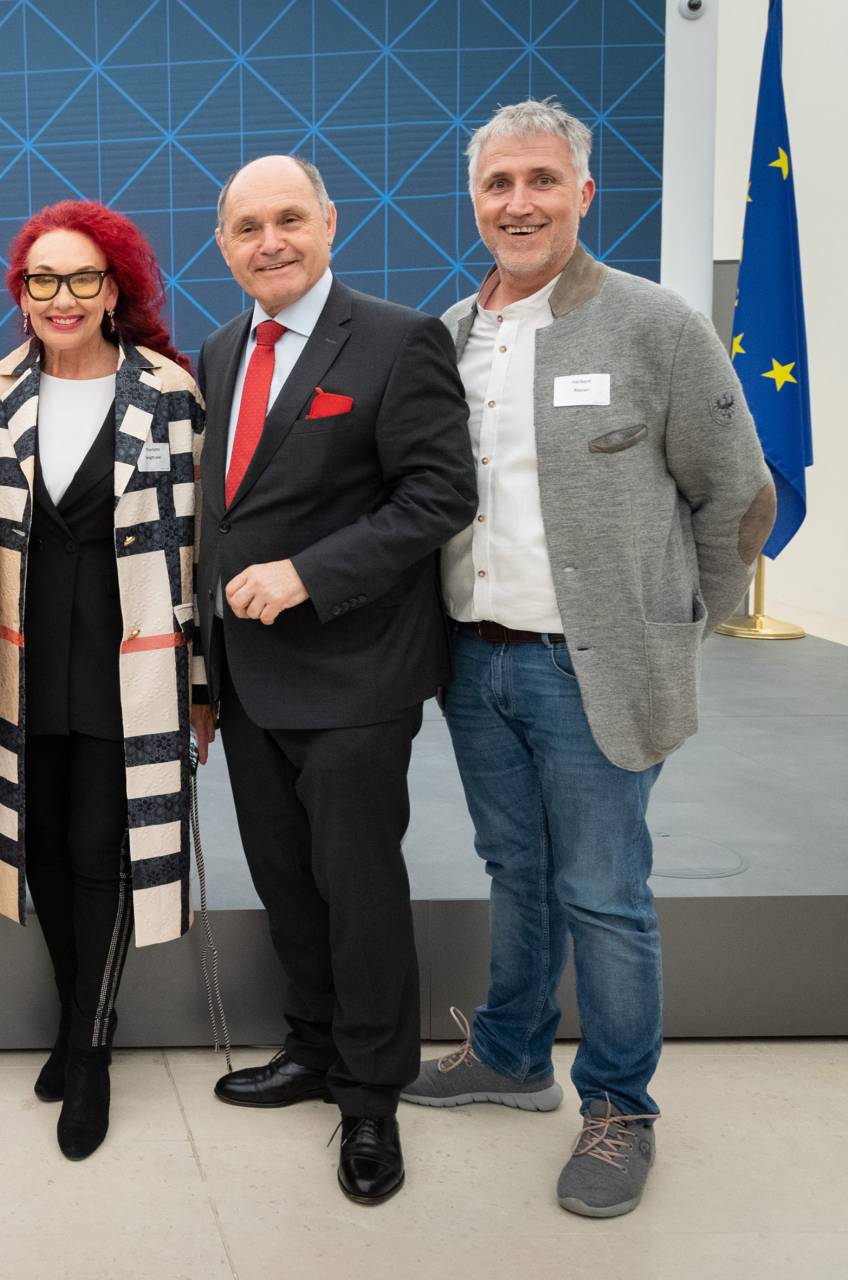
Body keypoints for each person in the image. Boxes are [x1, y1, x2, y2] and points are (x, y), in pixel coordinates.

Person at [402, 100, 775, 1219]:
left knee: (605, 892)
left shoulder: (655, 323)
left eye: (541, 182)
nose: (519, 203)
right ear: (475, 201)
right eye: (498, 184)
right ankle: (513, 1053)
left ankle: (620, 1105)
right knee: (516, 867)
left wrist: (683, 619)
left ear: (582, 192)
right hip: (478, 658)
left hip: (595, 668)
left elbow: (738, 490)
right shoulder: (452, 331)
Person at [193, 156, 477, 1205]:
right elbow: (227, 512)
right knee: (286, 880)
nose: (269, 241)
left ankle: (368, 1095)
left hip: (357, 674)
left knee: (359, 889)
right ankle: (313, 1043)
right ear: (221, 243)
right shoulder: (224, 348)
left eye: (289, 220)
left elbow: (440, 493)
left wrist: (311, 574)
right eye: (247, 226)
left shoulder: (400, 340)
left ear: (330, 223)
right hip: (252, 678)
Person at [0, 201, 211, 1161]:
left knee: (102, 854)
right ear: (22, 294)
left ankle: (92, 1050)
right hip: (24, 668)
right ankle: (77, 1018)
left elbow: (196, 550)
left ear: (116, 290)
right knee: (42, 855)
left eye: (82, 279)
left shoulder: (170, 394)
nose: (60, 298)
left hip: (131, 668)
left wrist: (201, 689)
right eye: (41, 280)